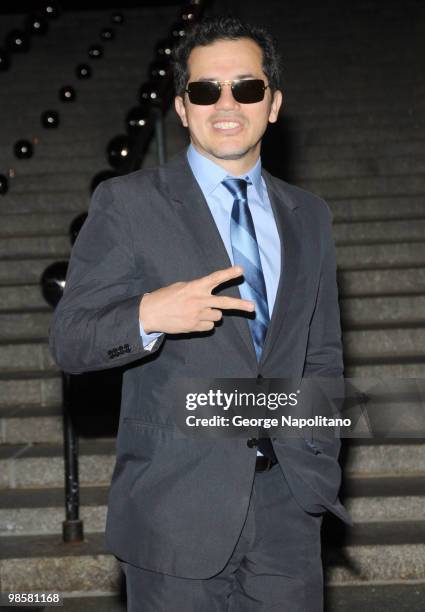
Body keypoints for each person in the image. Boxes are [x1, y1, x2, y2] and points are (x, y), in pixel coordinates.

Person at [49, 15, 352, 612]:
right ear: (182, 108)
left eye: (246, 87)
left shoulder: (308, 215)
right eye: (204, 90)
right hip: (173, 511)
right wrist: (150, 314)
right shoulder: (127, 203)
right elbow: (71, 341)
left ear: (273, 103)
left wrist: (314, 463)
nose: (226, 103)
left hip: (288, 509)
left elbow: (322, 354)